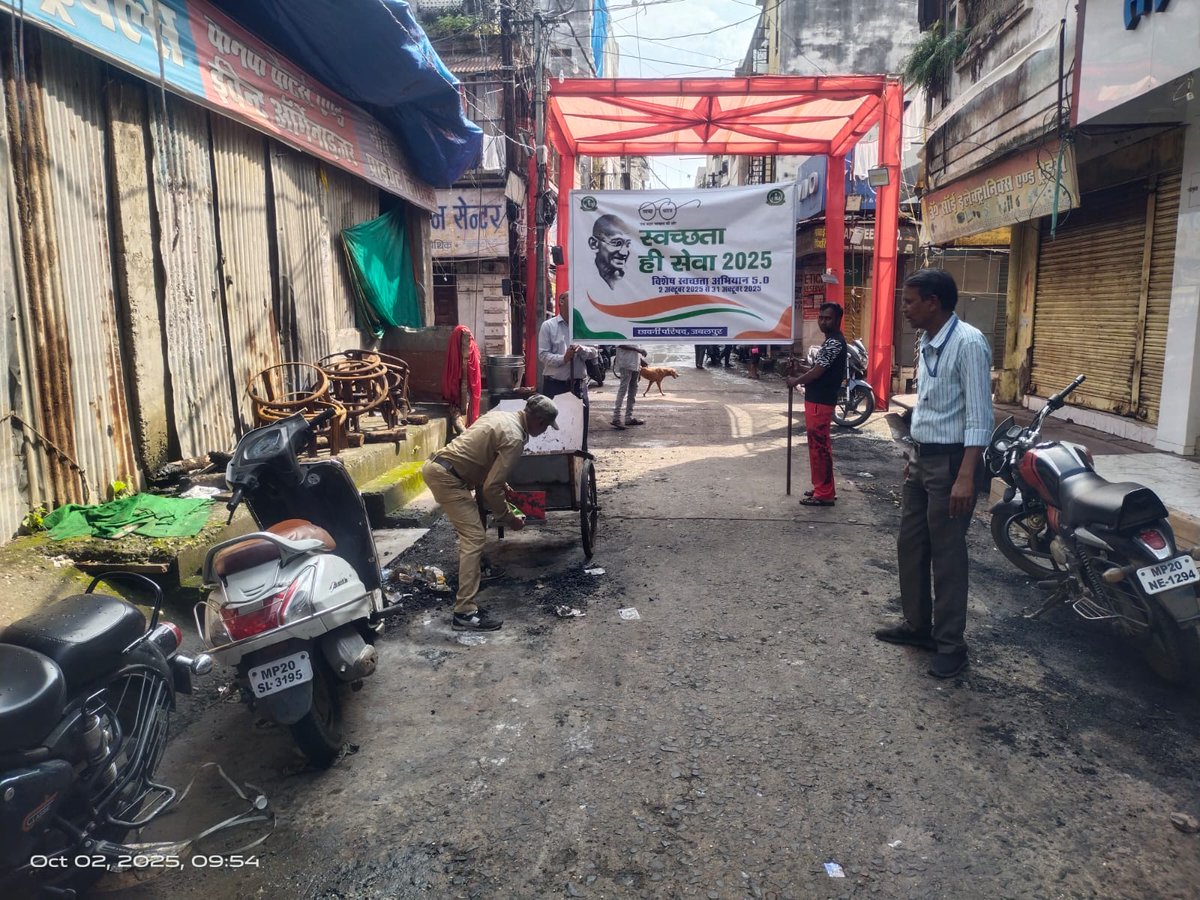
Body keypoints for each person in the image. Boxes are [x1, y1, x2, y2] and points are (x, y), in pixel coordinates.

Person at [875, 269, 992, 678]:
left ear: (934, 302)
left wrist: (965, 476)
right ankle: (918, 626)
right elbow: (927, 408)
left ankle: (950, 645)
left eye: (909, 301)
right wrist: (912, 454)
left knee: (947, 556)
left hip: (952, 464)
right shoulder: (927, 343)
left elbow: (980, 416)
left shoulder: (968, 344)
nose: (904, 308)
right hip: (922, 460)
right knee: (911, 544)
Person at [421, 394, 560, 631]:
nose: (546, 430)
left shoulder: (501, 417)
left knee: (472, 530)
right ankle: (464, 613)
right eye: (546, 425)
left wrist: (500, 485)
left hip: (442, 468)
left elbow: (478, 453)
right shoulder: (515, 438)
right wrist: (508, 518)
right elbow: (490, 489)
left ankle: (480, 570)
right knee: (474, 537)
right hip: (449, 479)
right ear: (537, 420)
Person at [785, 302, 847, 507]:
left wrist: (796, 380)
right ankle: (823, 487)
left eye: (827, 318)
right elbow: (817, 368)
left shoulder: (834, 342)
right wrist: (799, 367)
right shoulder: (830, 342)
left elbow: (817, 373)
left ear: (838, 320)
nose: (823, 321)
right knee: (819, 446)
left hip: (821, 401)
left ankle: (824, 493)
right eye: (821, 317)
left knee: (819, 447)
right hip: (818, 399)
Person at [538, 291, 598, 401]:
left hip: (578, 386)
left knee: (581, 417)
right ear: (561, 301)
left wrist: (582, 349)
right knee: (556, 418)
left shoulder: (584, 326)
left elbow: (595, 351)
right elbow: (543, 355)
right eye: (573, 298)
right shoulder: (548, 326)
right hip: (555, 386)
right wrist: (564, 358)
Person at [588, 215, 634, 287]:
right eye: (617, 243)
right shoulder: (586, 278)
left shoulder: (633, 280)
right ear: (594, 243)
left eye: (627, 244)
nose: (624, 253)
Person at [610, 343, 648, 429]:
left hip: (635, 363)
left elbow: (636, 346)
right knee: (623, 390)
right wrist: (638, 350)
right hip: (626, 363)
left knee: (633, 389)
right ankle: (616, 418)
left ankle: (628, 417)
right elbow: (620, 344)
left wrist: (640, 360)